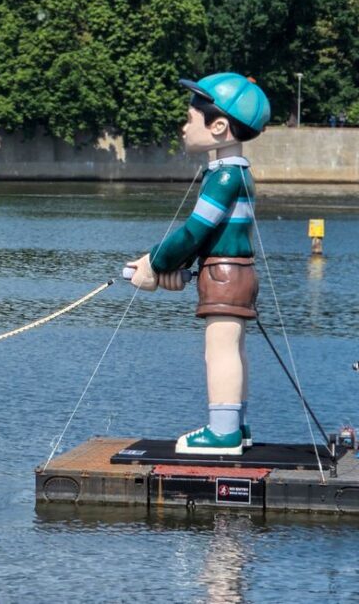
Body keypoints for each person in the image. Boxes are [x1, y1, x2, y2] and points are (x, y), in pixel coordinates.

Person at [126, 73, 270, 455]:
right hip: (230, 271)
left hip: (225, 273)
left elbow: (196, 231)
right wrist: (177, 271)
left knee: (219, 350)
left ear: (219, 126)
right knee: (233, 347)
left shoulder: (224, 178)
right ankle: (236, 425)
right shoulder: (237, 174)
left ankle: (222, 432)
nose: (184, 126)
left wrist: (154, 263)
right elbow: (204, 237)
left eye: (190, 118)